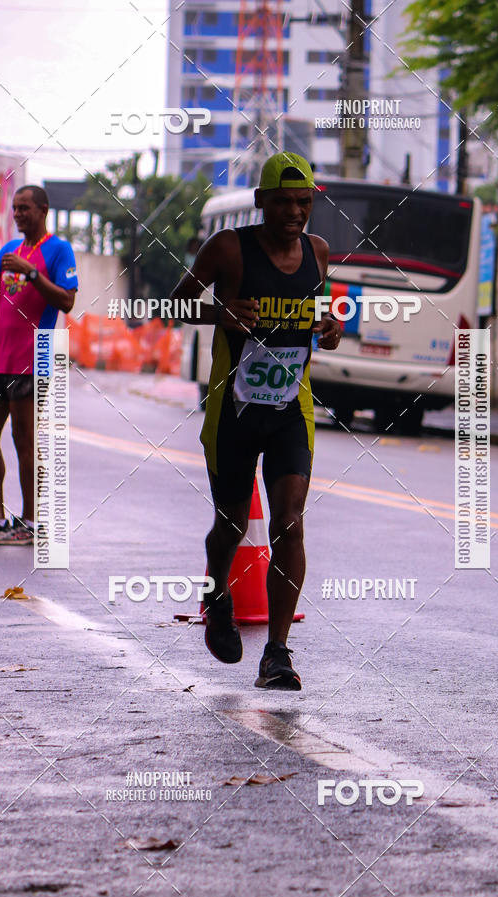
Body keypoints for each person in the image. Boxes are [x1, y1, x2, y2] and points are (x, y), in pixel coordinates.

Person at [171, 152, 341, 689]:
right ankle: (217, 595)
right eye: (285, 202)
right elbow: (174, 305)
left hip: (291, 409)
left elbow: (317, 315)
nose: (295, 212)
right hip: (233, 412)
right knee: (232, 524)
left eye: (305, 202)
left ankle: (277, 652)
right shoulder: (228, 249)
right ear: (260, 201)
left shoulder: (317, 252)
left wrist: (329, 327)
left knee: (289, 522)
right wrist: (216, 313)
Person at [0, 185, 78, 546]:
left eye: (24, 208)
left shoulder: (59, 250)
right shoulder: (11, 250)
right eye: (14, 208)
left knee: (23, 440)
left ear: (43, 210)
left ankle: (29, 522)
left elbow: (67, 300)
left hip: (32, 357)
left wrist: (31, 274)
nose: (17, 214)